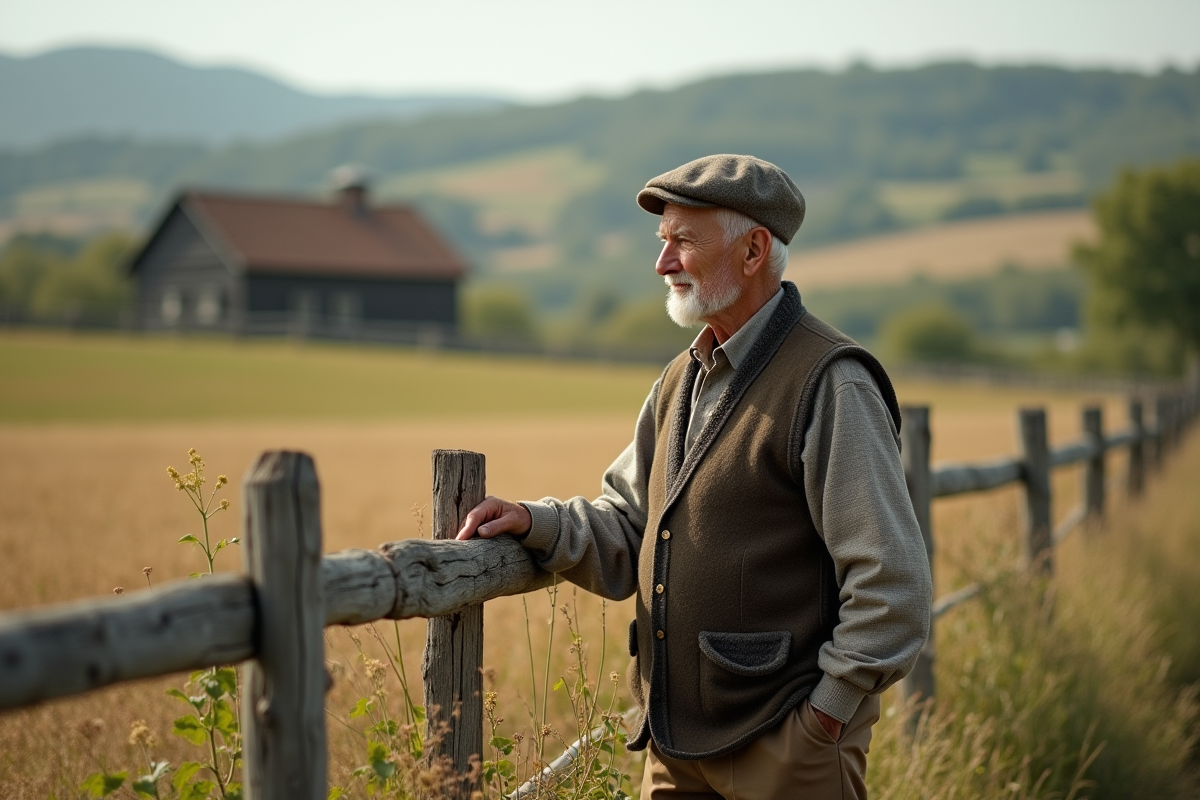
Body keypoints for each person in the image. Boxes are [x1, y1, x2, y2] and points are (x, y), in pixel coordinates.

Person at [456, 154, 932, 799]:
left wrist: (824, 717)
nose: (663, 263)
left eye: (684, 242)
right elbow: (629, 527)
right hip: (674, 748)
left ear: (753, 250)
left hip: (788, 745)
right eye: (663, 243)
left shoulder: (832, 383)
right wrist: (536, 521)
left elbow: (892, 584)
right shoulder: (681, 379)